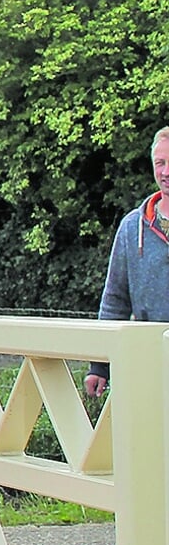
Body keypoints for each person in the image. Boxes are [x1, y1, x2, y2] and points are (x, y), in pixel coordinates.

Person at [85, 127, 169, 398]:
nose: (166, 172)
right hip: (148, 364)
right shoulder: (132, 227)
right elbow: (115, 300)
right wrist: (100, 364)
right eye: (160, 163)